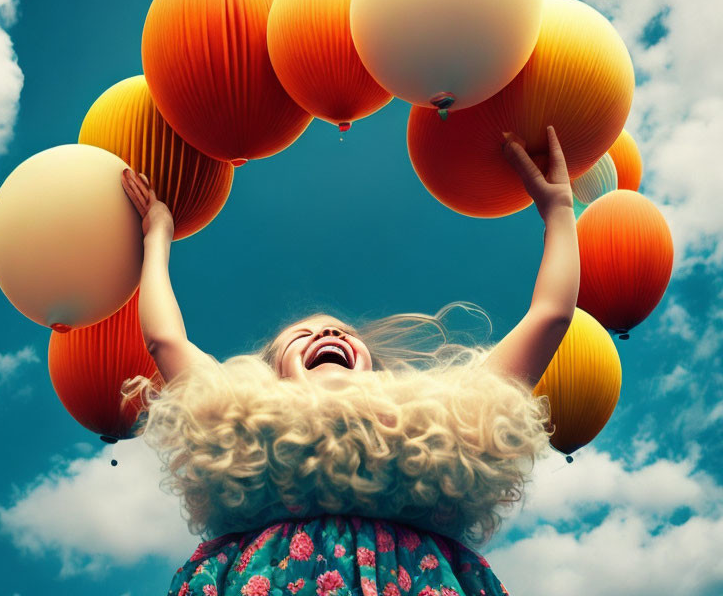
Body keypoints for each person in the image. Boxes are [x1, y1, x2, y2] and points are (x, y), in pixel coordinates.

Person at [119, 126, 578, 596]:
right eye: (303, 335)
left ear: (378, 375)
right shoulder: (237, 421)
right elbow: (164, 339)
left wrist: (559, 211)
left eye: (343, 333)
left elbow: (551, 315)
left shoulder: (445, 421)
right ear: (270, 377)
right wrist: (159, 235)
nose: (329, 333)